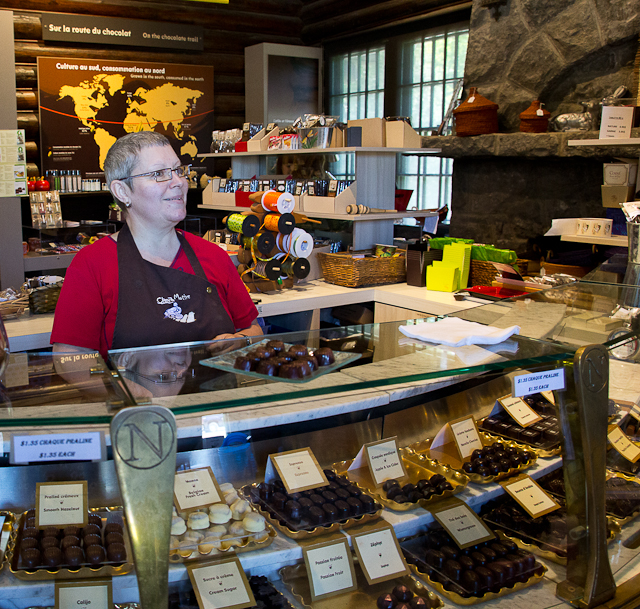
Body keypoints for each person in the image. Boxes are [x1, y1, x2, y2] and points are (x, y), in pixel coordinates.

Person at [51, 131, 262, 361]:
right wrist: (127, 394)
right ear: (122, 191)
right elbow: (69, 358)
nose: (179, 182)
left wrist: (242, 340)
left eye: (178, 170)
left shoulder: (212, 255)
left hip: (215, 394)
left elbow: (254, 330)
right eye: (159, 174)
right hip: (136, 398)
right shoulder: (92, 265)